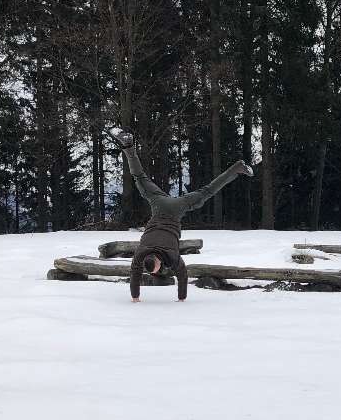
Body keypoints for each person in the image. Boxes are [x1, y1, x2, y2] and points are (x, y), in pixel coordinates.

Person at [107, 128, 253, 303]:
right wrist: (135, 297)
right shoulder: (140, 254)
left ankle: (238, 168)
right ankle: (128, 143)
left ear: (158, 263)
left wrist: (181, 299)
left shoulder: (171, 256)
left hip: (175, 209)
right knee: (139, 177)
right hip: (159, 203)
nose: (158, 272)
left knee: (207, 191)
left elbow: (182, 276)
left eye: (156, 270)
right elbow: (136, 274)